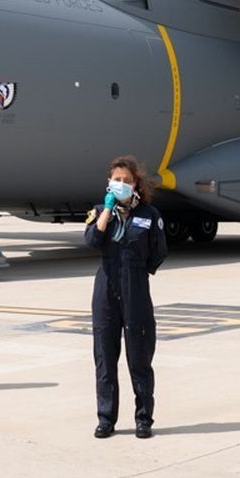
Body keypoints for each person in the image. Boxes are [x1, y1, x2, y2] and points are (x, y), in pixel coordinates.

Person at [84, 155, 167, 439]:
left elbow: (159, 252)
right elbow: (93, 241)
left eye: (127, 181)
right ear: (109, 183)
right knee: (105, 359)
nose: (121, 184)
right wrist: (107, 211)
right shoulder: (98, 211)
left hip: (136, 291)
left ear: (136, 185)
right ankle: (106, 419)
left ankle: (144, 419)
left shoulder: (149, 215)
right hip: (106, 290)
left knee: (139, 359)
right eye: (116, 180)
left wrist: (137, 271)